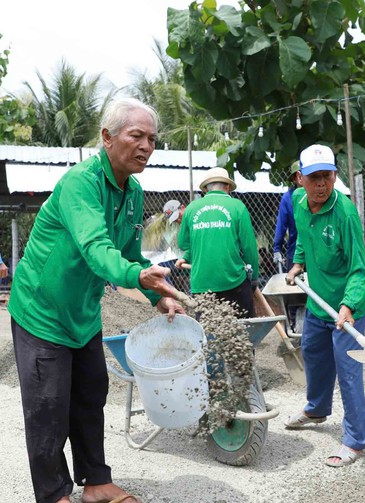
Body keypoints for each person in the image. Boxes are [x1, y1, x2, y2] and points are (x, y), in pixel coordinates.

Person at [8, 97, 185, 503]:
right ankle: (54, 494)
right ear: (107, 137)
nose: (146, 146)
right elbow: (96, 247)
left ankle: (97, 483)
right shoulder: (80, 183)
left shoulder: (134, 192)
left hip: (83, 312)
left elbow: (130, 254)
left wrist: (154, 293)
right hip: (42, 310)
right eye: (135, 135)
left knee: (90, 394)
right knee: (48, 406)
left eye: (152, 139)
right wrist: (133, 275)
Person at [284, 144, 365, 468]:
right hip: (319, 307)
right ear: (300, 179)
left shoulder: (345, 213)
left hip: (346, 309)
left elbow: (359, 269)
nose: (321, 184)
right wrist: (297, 263)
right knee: (313, 356)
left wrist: (348, 305)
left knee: (348, 374)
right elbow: (303, 238)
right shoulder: (298, 203)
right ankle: (317, 409)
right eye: (314, 177)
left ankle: (355, 440)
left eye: (327, 176)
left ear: (335, 176)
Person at [176, 167, 259, 318]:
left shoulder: (191, 208)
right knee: (244, 331)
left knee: (207, 331)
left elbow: (183, 243)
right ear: (227, 187)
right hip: (234, 281)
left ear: (206, 189)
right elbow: (249, 248)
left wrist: (189, 254)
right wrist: (254, 278)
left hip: (201, 285)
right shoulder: (238, 207)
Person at [273, 161, 302, 272]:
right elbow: (281, 225)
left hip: (316, 252)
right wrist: (277, 249)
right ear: (294, 178)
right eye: (298, 175)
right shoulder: (288, 198)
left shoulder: (316, 196)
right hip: (295, 252)